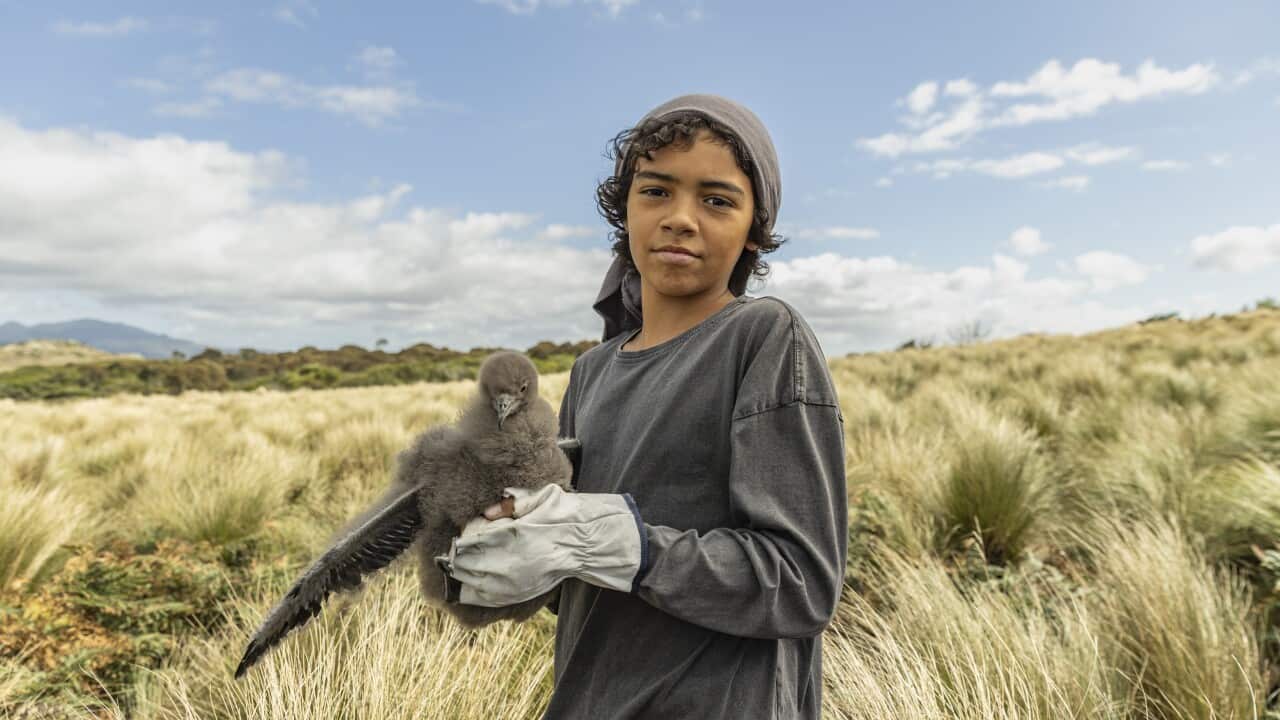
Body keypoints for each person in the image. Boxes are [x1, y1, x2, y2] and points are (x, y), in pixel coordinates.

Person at [440, 93, 848, 719]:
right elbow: (577, 584)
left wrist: (619, 543)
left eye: (717, 200)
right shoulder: (592, 370)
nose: (680, 218)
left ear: (753, 229)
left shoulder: (764, 338)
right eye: (656, 191)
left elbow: (799, 582)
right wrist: (513, 544)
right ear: (624, 207)